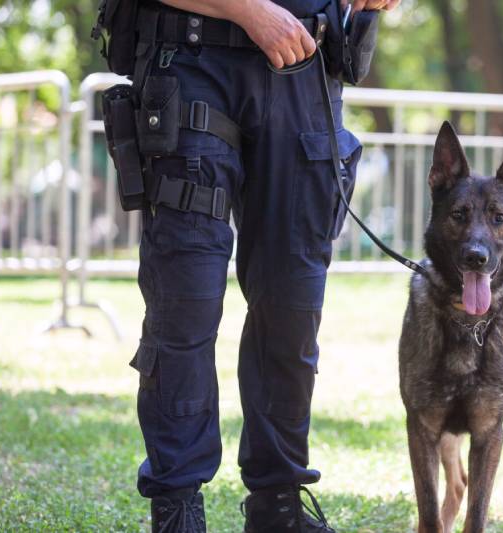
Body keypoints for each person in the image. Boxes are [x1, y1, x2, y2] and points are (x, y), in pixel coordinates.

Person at [125, 0, 399, 531]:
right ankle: (177, 508)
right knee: (187, 303)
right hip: (192, 61)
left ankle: (279, 505)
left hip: (305, 71)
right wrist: (249, 11)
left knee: (291, 307)